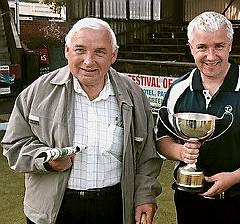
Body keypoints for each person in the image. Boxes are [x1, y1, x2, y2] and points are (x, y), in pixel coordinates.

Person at [1, 17, 162, 224]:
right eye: (80, 50)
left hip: (114, 207)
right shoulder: (37, 92)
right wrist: (46, 161)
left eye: (100, 52)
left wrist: (145, 195)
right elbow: (14, 145)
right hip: (54, 211)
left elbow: (147, 155)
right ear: (67, 51)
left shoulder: (134, 94)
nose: (89, 61)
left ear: (114, 55)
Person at [155, 11, 240, 224]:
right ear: (190, 48)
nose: (211, 56)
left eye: (219, 46)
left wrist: (233, 178)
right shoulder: (178, 89)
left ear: (230, 45)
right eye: (202, 47)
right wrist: (181, 152)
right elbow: (162, 139)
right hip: (190, 202)